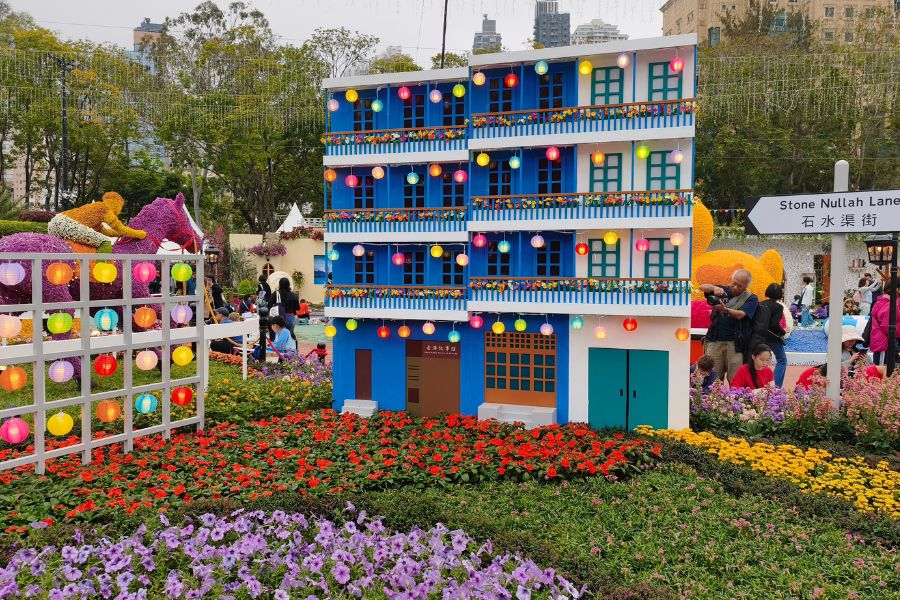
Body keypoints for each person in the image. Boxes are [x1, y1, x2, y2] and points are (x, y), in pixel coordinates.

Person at [699, 269, 759, 381]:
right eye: (734, 283)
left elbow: (741, 314)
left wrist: (725, 309)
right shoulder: (723, 290)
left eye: (740, 286)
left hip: (735, 344)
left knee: (735, 380)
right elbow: (702, 287)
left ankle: (734, 394)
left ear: (746, 286)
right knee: (713, 378)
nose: (735, 287)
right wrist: (714, 288)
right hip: (715, 340)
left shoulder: (751, 298)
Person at [46, 191, 146, 253]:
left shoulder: (97, 210)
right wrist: (140, 234)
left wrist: (123, 234)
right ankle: (102, 268)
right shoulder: (105, 208)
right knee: (105, 242)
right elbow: (120, 228)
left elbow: (106, 232)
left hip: (55, 222)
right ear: (117, 203)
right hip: (66, 223)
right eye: (121, 206)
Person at [750, 283, 788, 387]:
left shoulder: (760, 304)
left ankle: (758, 384)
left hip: (759, 336)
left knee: (759, 361)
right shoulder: (778, 307)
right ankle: (775, 386)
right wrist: (783, 332)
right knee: (782, 360)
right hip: (773, 338)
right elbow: (774, 324)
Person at [869, 283, 900, 365]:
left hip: (882, 342)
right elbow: (887, 326)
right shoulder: (889, 305)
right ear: (897, 289)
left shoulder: (883, 302)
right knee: (882, 368)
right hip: (884, 343)